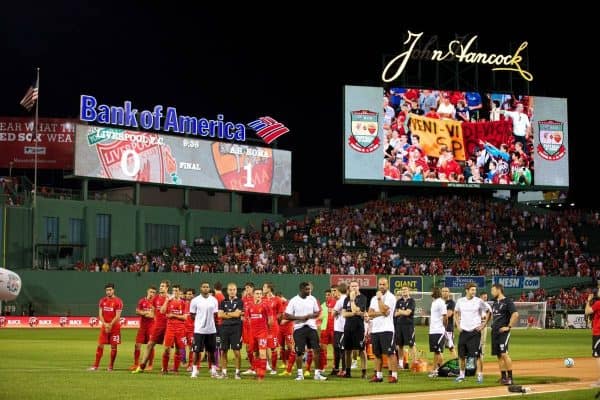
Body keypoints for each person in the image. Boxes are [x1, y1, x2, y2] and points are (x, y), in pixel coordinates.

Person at [284, 281, 326, 381]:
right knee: (299, 352)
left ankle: (317, 374)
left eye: (309, 289)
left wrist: (309, 316)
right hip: (299, 328)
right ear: (301, 289)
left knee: (316, 350)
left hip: (312, 328)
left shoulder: (313, 299)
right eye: (307, 289)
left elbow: (317, 312)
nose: (309, 291)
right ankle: (300, 374)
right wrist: (301, 318)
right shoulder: (294, 300)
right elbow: (287, 315)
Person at [454, 282, 490, 383]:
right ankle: (461, 375)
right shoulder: (460, 301)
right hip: (464, 332)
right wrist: (457, 324)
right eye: (472, 290)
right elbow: (456, 312)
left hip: (475, 332)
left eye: (475, 290)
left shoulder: (479, 301)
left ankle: (480, 375)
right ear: (467, 290)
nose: (474, 292)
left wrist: (483, 325)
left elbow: (488, 312)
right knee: (461, 356)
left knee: (477, 356)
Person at [133, 280, 170, 373]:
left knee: (167, 348)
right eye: (160, 286)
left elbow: (165, 311)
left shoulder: (170, 299)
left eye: (163, 286)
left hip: (168, 326)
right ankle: (141, 367)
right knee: (150, 345)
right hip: (157, 326)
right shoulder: (155, 299)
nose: (161, 287)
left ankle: (164, 368)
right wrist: (145, 314)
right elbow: (153, 313)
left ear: (167, 288)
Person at [367, 278, 398, 383]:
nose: (381, 286)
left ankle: (394, 375)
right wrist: (380, 313)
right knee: (377, 354)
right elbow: (370, 313)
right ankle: (378, 376)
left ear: (387, 285)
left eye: (384, 284)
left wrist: (380, 299)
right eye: (380, 284)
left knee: (390, 353)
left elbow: (385, 311)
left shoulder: (391, 297)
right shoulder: (373, 298)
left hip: (387, 329)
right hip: (375, 329)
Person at [88, 283, 123, 371]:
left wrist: (110, 324)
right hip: (104, 326)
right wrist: (105, 324)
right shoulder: (102, 301)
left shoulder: (118, 301)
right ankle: (95, 366)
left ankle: (110, 366)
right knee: (100, 345)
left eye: (110, 290)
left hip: (115, 327)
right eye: (107, 290)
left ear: (113, 290)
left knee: (113, 347)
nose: (108, 292)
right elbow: (100, 314)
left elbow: (118, 316)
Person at [189, 282, 220, 378]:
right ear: (200, 288)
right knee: (196, 351)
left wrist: (210, 323)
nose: (206, 288)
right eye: (204, 287)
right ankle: (194, 370)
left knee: (211, 351)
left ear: (209, 288)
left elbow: (215, 314)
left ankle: (213, 370)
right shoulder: (195, 300)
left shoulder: (214, 300)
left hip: (211, 330)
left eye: (207, 287)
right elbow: (192, 315)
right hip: (199, 330)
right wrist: (200, 322)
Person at [491, 283, 519, 385]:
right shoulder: (494, 302)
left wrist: (509, 327)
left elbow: (515, 314)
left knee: (504, 354)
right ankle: (503, 378)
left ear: (498, 290)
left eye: (493, 290)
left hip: (503, 332)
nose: (491, 292)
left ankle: (510, 378)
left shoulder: (508, 301)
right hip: (495, 332)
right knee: (499, 355)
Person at [342, 280, 368, 379]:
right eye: (352, 286)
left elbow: (358, 311)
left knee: (362, 350)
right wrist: (355, 313)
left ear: (358, 287)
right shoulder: (346, 299)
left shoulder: (363, 298)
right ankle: (348, 372)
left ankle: (364, 372)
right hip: (348, 327)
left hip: (359, 327)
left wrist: (352, 301)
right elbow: (344, 314)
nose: (354, 288)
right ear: (349, 288)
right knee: (348, 351)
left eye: (356, 286)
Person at [245, 287, 271, 380]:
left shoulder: (265, 306)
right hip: (253, 333)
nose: (258, 295)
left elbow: (270, 320)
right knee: (255, 353)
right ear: (253, 295)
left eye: (260, 294)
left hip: (262, 333)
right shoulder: (249, 306)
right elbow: (247, 319)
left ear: (262, 295)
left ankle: (261, 376)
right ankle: (257, 373)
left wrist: (267, 330)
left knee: (262, 353)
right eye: (257, 293)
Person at [218, 282, 244, 379]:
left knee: (236, 352)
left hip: (236, 328)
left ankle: (237, 373)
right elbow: (219, 315)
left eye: (234, 289)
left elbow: (237, 315)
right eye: (230, 290)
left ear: (236, 291)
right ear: (227, 291)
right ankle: (224, 373)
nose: (232, 291)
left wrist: (227, 313)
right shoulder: (222, 302)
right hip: (224, 328)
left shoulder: (240, 301)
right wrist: (232, 314)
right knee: (223, 351)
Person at [161, 284, 188, 374]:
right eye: (173, 291)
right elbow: (162, 311)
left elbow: (185, 317)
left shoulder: (183, 303)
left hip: (180, 329)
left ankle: (175, 370)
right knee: (166, 349)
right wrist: (166, 301)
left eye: (176, 291)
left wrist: (173, 315)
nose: (175, 292)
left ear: (180, 292)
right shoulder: (169, 301)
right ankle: (164, 369)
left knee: (178, 349)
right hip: (170, 328)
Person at [130, 285, 157, 371]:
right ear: (147, 291)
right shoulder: (142, 301)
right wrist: (145, 313)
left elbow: (153, 315)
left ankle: (150, 365)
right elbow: (137, 311)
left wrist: (144, 313)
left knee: (150, 345)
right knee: (137, 345)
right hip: (142, 327)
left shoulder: (156, 302)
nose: (152, 294)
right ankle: (135, 364)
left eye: (153, 292)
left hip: (152, 327)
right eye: (150, 292)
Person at [394, 285, 416, 370]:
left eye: (406, 290)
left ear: (409, 291)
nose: (404, 291)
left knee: (411, 344)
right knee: (400, 345)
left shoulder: (412, 301)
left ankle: (414, 364)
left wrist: (400, 311)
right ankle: (400, 364)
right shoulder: (399, 301)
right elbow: (395, 314)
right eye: (402, 290)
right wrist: (402, 312)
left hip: (408, 325)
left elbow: (408, 313)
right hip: (399, 325)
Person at [428, 287, 447, 378]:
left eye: (431, 291)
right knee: (436, 351)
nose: (430, 293)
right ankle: (435, 370)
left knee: (438, 351)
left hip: (439, 330)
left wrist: (443, 326)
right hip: (433, 330)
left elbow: (445, 316)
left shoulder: (441, 302)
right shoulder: (434, 302)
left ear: (434, 292)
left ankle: (445, 370)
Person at [585, 288, 600, 387]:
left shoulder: (598, 303)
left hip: (598, 333)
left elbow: (587, 311)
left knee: (598, 356)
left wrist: (588, 301)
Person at [331, 283, 347, 376]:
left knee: (341, 349)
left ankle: (343, 370)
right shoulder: (345, 299)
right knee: (338, 349)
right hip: (340, 328)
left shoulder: (341, 300)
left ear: (339, 291)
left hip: (341, 328)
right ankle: (337, 368)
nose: (334, 293)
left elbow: (333, 313)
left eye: (335, 290)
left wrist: (334, 312)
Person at [441, 287, 457, 358]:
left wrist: (438, 317)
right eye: (443, 291)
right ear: (441, 292)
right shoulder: (439, 302)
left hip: (448, 327)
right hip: (439, 328)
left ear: (449, 293)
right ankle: (439, 364)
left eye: (446, 291)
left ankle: (456, 362)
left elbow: (449, 314)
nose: (445, 292)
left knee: (450, 346)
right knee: (439, 347)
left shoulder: (451, 303)